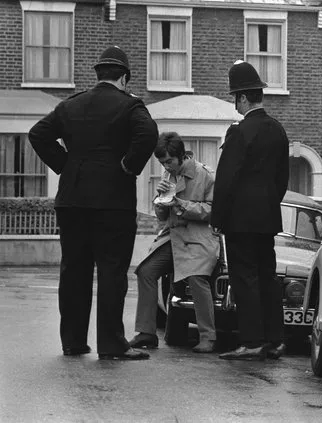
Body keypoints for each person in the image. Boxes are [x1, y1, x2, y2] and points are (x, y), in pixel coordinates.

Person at [28, 46, 158, 360]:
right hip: (112, 202)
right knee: (112, 271)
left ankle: (73, 341)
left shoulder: (71, 104)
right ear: (125, 77)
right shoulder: (130, 106)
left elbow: (37, 134)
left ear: (98, 74)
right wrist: (128, 166)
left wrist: (65, 165)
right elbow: (149, 134)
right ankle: (112, 344)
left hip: (72, 200)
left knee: (74, 270)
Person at [211, 61, 289, 361]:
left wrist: (217, 218)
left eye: (236, 99)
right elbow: (282, 180)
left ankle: (252, 341)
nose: (236, 105)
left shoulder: (240, 132)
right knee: (268, 278)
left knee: (244, 279)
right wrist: (268, 204)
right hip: (267, 218)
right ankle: (275, 340)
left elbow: (227, 179)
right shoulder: (278, 130)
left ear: (243, 98)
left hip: (240, 220)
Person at [129, 132, 219, 353]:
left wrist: (181, 204)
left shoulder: (205, 175)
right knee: (145, 271)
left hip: (198, 238)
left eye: (169, 161)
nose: (166, 166)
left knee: (197, 278)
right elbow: (161, 217)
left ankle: (208, 337)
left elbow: (213, 211)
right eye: (162, 162)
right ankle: (147, 333)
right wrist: (159, 202)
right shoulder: (168, 176)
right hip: (173, 237)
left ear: (181, 156)